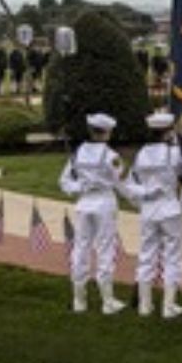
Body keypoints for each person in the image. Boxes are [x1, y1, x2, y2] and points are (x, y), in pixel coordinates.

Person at [59, 113, 126, 314]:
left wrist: (80, 187)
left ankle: (79, 300)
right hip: (104, 203)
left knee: (80, 249)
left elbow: (64, 182)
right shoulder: (111, 156)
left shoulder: (78, 153)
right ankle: (107, 301)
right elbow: (121, 183)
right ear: (106, 132)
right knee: (105, 249)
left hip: (84, 203)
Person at [122, 111, 182, 318]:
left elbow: (130, 185)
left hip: (149, 210)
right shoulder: (174, 154)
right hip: (169, 208)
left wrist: (146, 193)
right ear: (167, 132)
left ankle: (145, 306)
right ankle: (168, 306)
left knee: (147, 255)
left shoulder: (142, 154)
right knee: (172, 256)